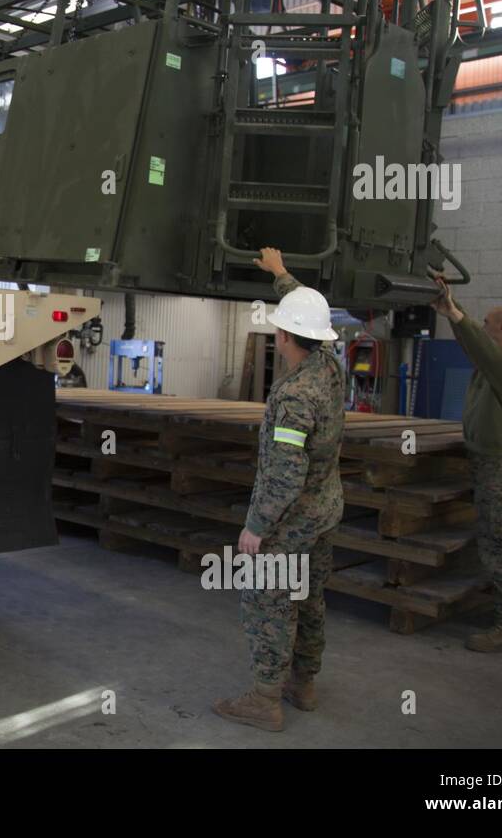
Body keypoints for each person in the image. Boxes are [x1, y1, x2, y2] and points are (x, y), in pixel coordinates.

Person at [212, 247, 345, 732]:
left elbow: (286, 474)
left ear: (283, 336)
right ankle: (303, 684)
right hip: (326, 511)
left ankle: (266, 699)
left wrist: (256, 527)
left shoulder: (293, 397)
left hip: (289, 521)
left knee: (269, 603)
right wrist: (281, 274)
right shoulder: (331, 367)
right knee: (309, 598)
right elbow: (309, 313)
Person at [432, 277, 502, 652]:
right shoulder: (490, 368)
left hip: (499, 467)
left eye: (488, 322)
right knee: (493, 540)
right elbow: (477, 349)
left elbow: (483, 350)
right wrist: (450, 313)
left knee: (500, 543)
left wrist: (456, 312)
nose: (484, 327)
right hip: (486, 463)